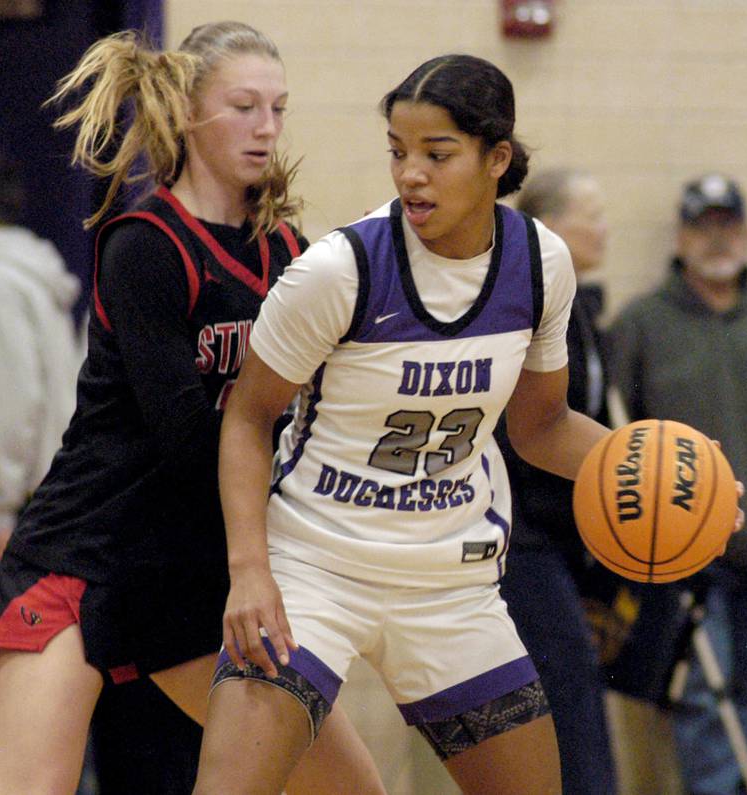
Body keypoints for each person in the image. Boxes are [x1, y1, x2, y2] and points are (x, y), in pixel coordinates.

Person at [191, 53, 618, 795]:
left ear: (497, 159)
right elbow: (248, 418)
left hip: (450, 582)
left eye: (436, 154)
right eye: (398, 151)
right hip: (315, 569)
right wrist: (249, 570)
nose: (410, 174)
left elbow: (542, 427)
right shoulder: (340, 270)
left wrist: (659, 467)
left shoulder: (540, 263)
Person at [0, 21, 385, 795]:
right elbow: (188, 440)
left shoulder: (287, 253)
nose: (267, 127)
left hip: (185, 575)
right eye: (244, 106)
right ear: (185, 113)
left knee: (349, 787)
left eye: (278, 108)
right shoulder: (144, 245)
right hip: (85, 559)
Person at [609, 173, 747, 795]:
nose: (717, 239)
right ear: (681, 237)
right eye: (703, 227)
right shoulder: (641, 324)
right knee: (698, 693)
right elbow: (614, 438)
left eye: (728, 225)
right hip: (685, 554)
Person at [494, 168, 618, 795]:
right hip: (519, 537)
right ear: (549, 229)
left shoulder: (581, 310)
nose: (604, 229)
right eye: (591, 215)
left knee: (575, 687)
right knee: (566, 689)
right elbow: (528, 436)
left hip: (559, 540)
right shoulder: (530, 310)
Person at [0, 150, 83, 560]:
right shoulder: (28, 267)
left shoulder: (4, 281)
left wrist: (1, 510)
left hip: (20, 514)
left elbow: (11, 408)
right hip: (43, 502)